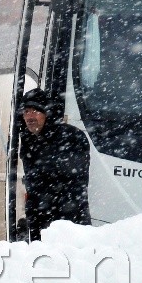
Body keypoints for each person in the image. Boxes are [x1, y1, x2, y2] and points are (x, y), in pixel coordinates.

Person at [17, 89, 91, 239]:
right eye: (26, 112)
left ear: (47, 113)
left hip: (68, 225)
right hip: (40, 223)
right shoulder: (28, 140)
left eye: (35, 111)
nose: (30, 117)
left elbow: (73, 185)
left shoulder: (71, 138)